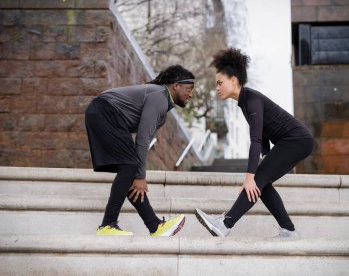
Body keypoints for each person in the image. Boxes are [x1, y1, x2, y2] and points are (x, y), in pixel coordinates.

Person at [195, 48, 314, 238]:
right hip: (291, 142)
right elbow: (265, 132)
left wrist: (250, 176)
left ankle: (225, 224)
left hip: (296, 141)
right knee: (262, 185)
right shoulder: (245, 101)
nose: (216, 88)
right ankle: (289, 230)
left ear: (233, 80)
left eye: (219, 83)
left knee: (257, 181)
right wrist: (266, 159)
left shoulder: (251, 100)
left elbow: (256, 139)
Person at [85, 65, 195, 236]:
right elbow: (142, 140)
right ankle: (107, 225)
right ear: (176, 86)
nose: (190, 94)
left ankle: (154, 226)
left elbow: (144, 140)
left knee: (129, 171)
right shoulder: (159, 96)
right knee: (130, 167)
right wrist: (141, 176)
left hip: (104, 114)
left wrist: (137, 175)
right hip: (105, 111)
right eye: (188, 89)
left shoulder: (162, 107)